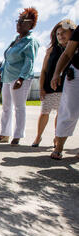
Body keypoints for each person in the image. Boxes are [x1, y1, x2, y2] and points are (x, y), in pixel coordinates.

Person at [0, 8, 39, 146]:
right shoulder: (16, 40)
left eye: (22, 21)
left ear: (30, 24)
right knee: (6, 106)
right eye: (18, 21)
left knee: (19, 107)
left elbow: (29, 61)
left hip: (19, 78)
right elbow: (8, 59)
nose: (18, 23)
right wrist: (0, 70)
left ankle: (18, 135)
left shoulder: (30, 41)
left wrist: (21, 78)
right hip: (7, 77)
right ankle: (5, 133)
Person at [31, 20, 76, 148]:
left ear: (71, 33)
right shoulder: (51, 50)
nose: (61, 36)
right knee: (44, 112)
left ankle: (57, 137)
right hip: (49, 87)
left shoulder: (74, 49)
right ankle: (38, 136)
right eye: (58, 34)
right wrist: (41, 88)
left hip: (65, 87)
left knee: (61, 114)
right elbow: (44, 70)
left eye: (64, 33)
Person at [50, 24, 79, 160]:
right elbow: (67, 53)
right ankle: (59, 146)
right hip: (77, 71)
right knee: (69, 110)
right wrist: (57, 74)